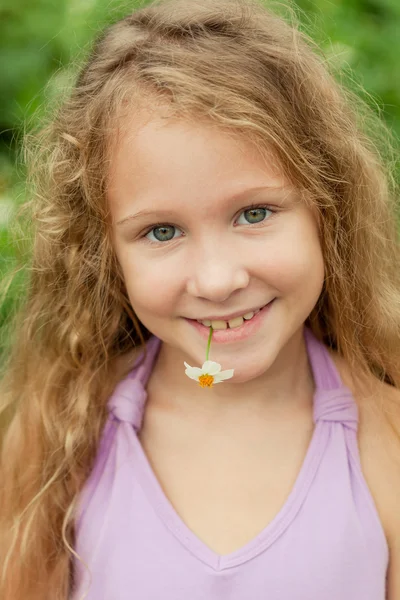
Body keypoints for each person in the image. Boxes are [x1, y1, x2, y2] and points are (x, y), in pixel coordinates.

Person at [1, 0, 400, 597]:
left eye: (254, 213)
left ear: (328, 208)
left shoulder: (386, 440)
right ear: (104, 250)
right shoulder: (59, 437)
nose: (216, 281)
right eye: (161, 231)